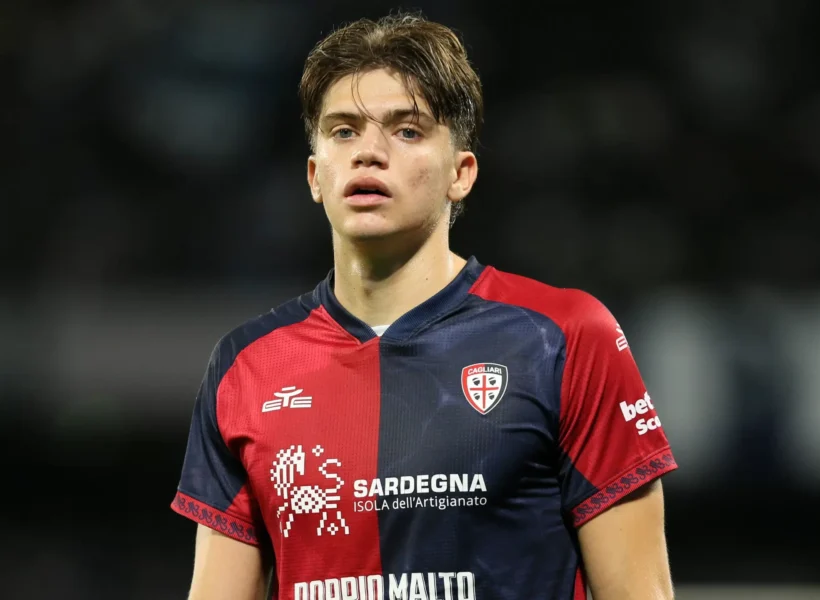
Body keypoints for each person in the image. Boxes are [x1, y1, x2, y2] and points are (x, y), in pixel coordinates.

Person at [171, 11, 677, 600]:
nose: (368, 152)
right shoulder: (246, 366)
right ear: (314, 175)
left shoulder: (563, 336)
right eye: (343, 131)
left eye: (407, 131)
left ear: (461, 173)